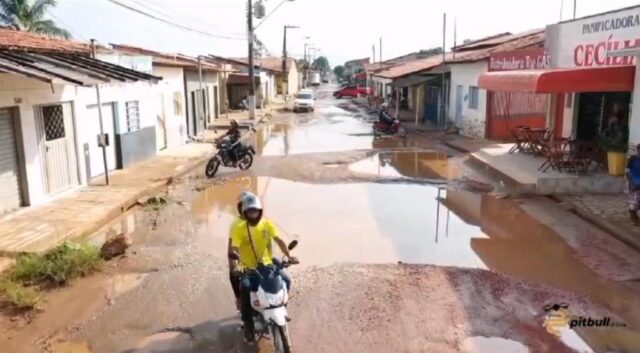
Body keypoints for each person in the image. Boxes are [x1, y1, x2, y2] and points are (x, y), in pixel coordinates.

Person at [230, 194, 298, 343]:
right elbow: (234, 247)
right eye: (249, 211)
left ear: (260, 211)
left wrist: (289, 256)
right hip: (249, 267)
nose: (253, 214)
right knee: (245, 287)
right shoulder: (239, 228)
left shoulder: (267, 224)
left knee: (286, 279)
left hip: (267, 265)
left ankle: (282, 307)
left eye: (255, 211)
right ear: (245, 213)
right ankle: (248, 323)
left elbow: (279, 240)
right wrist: (235, 266)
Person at [228, 191, 254, 311]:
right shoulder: (236, 226)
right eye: (243, 206)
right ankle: (239, 299)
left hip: (260, 259)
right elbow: (232, 248)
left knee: (283, 279)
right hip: (243, 260)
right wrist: (234, 266)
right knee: (234, 275)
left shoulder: (260, 221)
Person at [627, 144, 640, 224]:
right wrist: (631, 183)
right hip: (633, 183)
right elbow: (627, 172)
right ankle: (634, 217)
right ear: (638, 150)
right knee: (634, 203)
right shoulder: (632, 159)